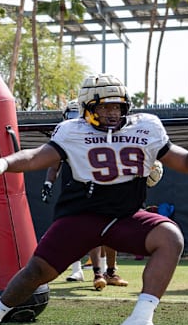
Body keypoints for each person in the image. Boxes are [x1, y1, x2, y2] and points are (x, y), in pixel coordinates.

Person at [0, 74, 188, 325]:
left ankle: (140, 320)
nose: (112, 112)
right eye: (104, 106)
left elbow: (185, 163)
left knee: (170, 237)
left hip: (125, 216)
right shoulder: (72, 130)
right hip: (81, 216)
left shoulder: (146, 126)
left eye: (117, 106)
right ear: (88, 107)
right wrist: (5, 162)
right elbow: (37, 156)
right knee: (36, 272)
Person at [42, 99, 144, 289]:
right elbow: (52, 161)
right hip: (77, 189)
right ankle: (93, 271)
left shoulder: (113, 133)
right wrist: (48, 182)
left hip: (107, 188)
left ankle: (109, 271)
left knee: (111, 228)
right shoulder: (67, 133)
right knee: (86, 229)